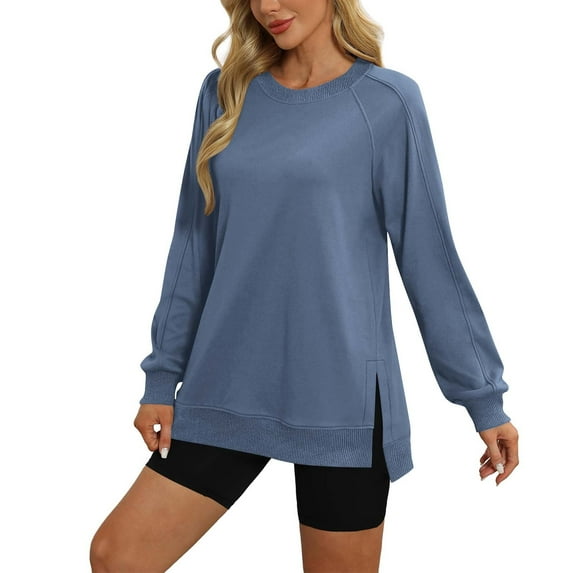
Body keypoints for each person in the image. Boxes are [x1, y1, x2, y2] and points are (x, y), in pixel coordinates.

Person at [90, 1, 520, 571]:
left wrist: (483, 399)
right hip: (227, 380)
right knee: (117, 556)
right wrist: (162, 376)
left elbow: (429, 259)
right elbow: (193, 245)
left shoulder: (386, 102)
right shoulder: (224, 93)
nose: (268, 5)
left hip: (340, 396)